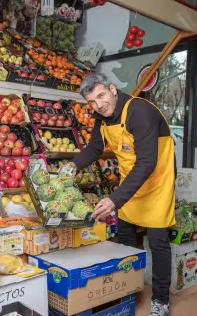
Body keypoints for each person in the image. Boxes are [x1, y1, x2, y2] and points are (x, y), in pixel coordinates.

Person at [62, 72, 175, 316]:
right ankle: (127, 288)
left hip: (156, 186)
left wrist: (114, 199)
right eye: (91, 101)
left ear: (113, 89)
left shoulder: (140, 111)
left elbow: (146, 162)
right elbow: (94, 147)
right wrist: (74, 165)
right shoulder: (102, 118)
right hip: (130, 186)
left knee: (158, 242)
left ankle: (161, 301)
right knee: (125, 239)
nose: (98, 105)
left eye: (101, 96)